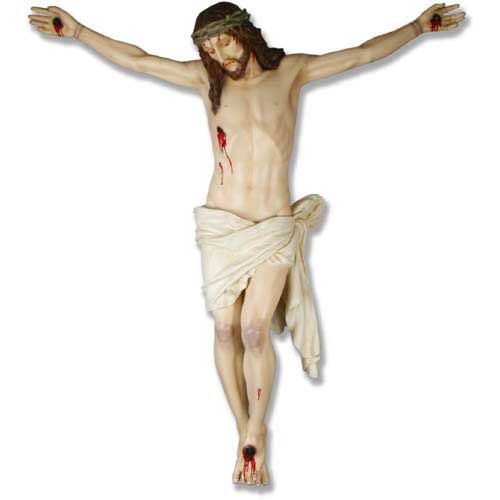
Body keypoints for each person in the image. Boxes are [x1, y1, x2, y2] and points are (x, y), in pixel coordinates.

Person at [28, 1, 466, 486]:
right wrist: (79, 32)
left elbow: (362, 54)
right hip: (222, 225)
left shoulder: (291, 73)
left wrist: (417, 27)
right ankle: (246, 430)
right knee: (224, 330)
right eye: (209, 49)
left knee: (254, 329)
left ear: (244, 33)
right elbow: (138, 60)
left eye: (224, 41)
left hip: (272, 224)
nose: (220, 55)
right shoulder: (206, 81)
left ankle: (257, 426)